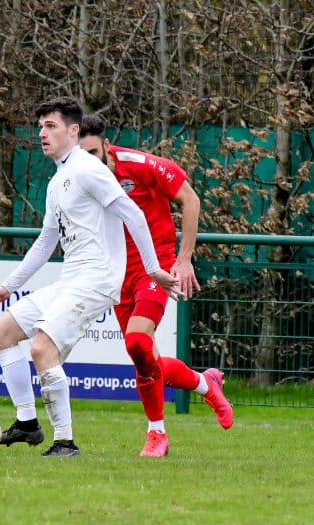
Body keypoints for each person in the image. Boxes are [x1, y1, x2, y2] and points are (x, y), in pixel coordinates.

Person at [0, 96, 179, 458]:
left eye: (50, 126)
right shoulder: (58, 180)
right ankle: (27, 423)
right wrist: (8, 287)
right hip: (71, 280)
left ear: (73, 131)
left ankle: (65, 443)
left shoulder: (87, 169)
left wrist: (153, 269)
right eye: (40, 127)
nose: (42, 134)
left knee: (41, 348)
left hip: (96, 280)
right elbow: (46, 241)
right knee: (1, 333)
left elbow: (133, 214)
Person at [78, 115, 232, 458]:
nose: (87, 162)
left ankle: (156, 434)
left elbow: (190, 200)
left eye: (92, 153)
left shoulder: (141, 166)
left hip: (155, 268)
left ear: (106, 146)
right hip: (116, 275)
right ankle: (206, 383)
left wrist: (184, 258)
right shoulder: (76, 179)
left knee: (137, 342)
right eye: (80, 156)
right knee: (148, 361)